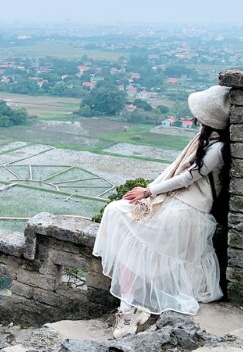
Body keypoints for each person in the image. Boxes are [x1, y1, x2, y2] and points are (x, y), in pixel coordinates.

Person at [93, 86, 230, 338]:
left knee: (133, 234)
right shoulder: (202, 139)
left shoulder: (217, 148)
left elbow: (188, 177)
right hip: (175, 201)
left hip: (188, 209)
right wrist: (150, 191)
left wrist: (148, 192)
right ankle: (129, 306)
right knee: (117, 213)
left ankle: (130, 308)